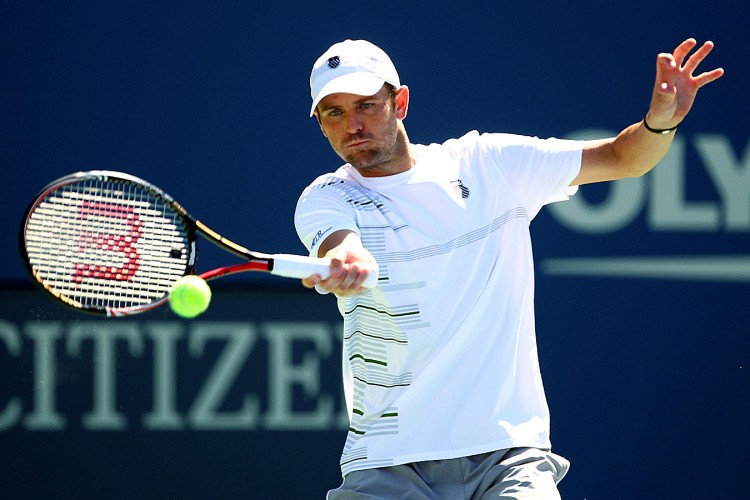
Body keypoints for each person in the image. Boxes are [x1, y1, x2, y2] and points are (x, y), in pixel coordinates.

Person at [294, 39, 723, 499]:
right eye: (334, 113)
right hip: (386, 463)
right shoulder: (325, 198)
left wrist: (660, 123)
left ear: (400, 103)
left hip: (508, 455)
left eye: (365, 105)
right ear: (319, 125)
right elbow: (342, 244)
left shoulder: (488, 164)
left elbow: (625, 157)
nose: (353, 125)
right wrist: (347, 261)